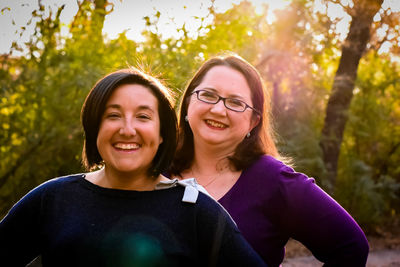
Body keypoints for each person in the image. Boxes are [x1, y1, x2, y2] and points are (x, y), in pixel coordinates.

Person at [0, 68, 267, 267]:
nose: (127, 130)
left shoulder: (197, 211)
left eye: (143, 116)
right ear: (95, 128)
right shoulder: (53, 199)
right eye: (113, 115)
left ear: (162, 133)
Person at [169, 54, 370, 266]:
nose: (218, 110)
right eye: (208, 95)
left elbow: (351, 246)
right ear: (189, 101)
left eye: (236, 102)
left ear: (253, 122)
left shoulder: (274, 182)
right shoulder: (154, 169)